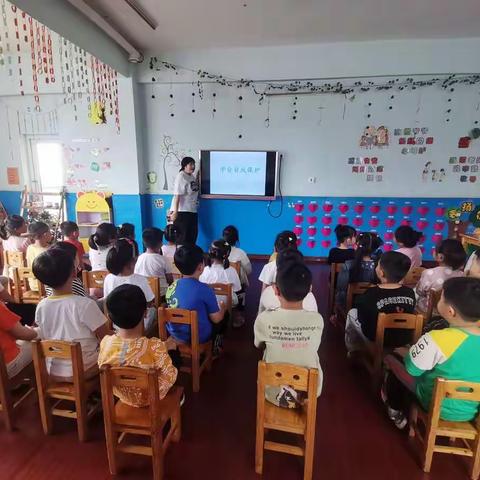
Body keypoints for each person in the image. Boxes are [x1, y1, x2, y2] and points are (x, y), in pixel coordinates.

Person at [382, 277, 480, 429]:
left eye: (441, 298)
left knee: (392, 359)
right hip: (472, 410)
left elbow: (412, 369)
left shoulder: (437, 338)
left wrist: (403, 353)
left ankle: (395, 411)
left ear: (450, 311)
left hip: (434, 402)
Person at [254, 261, 324, 408]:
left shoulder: (264, 318)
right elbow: (315, 346)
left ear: (276, 290)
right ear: (310, 289)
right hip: (307, 393)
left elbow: (258, 344)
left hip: (272, 392)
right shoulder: (317, 320)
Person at [32, 249, 108, 381]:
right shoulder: (84, 304)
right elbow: (105, 337)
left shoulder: (41, 305)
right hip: (84, 368)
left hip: (52, 370)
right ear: (74, 272)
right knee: (114, 348)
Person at [98, 284, 178, 407]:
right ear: (145, 313)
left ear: (110, 318)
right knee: (173, 353)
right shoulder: (154, 346)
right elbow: (169, 375)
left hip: (123, 397)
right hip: (152, 398)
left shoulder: (106, 343)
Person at [345, 251, 416, 354]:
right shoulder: (410, 293)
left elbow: (361, 315)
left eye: (378, 264)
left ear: (381, 273)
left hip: (376, 338)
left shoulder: (371, 292)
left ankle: (354, 350)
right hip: (403, 339)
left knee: (352, 313)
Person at [165, 245, 226, 355]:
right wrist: (222, 307)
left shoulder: (171, 286)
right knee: (224, 316)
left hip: (176, 333)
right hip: (198, 336)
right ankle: (215, 347)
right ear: (201, 267)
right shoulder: (205, 289)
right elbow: (216, 319)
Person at [103, 239, 155, 330]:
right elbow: (150, 302)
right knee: (154, 310)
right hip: (138, 324)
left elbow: (107, 301)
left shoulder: (108, 278)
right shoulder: (140, 279)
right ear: (131, 263)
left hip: (117, 323)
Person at [258, 249, 318, 314]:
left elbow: (260, 313)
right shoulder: (312, 301)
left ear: (276, 289)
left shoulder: (268, 293)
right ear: (310, 288)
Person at [416, 239, 466, 313]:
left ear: (440, 257)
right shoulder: (462, 275)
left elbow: (420, 292)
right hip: (452, 312)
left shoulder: (428, 273)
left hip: (430, 311)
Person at [335, 232, 382, 307]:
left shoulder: (347, 266)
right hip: (375, 306)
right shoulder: (381, 267)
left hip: (352, 306)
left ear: (356, 246)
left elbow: (341, 292)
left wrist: (336, 310)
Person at [0, 302, 37, 378]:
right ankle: (44, 385)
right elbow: (22, 334)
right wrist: (36, 332)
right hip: (6, 366)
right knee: (38, 345)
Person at [200, 240, 242, 306]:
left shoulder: (204, 270)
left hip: (208, 304)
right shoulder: (232, 270)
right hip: (226, 303)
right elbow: (237, 288)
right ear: (227, 254)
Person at [169, 157, 199, 245]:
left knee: (192, 236)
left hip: (192, 210)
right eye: (191, 164)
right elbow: (177, 195)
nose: (193, 166)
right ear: (184, 166)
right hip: (182, 212)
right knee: (183, 237)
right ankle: (182, 257)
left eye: (194, 164)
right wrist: (175, 212)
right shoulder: (181, 176)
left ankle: (190, 256)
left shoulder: (191, 176)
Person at [134, 227, 173, 296]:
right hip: (161, 295)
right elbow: (170, 281)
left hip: (143, 294)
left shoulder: (139, 258)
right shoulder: (164, 260)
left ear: (144, 243)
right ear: (161, 243)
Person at [26, 222, 52, 291]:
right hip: (46, 285)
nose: (51, 234)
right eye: (50, 232)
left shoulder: (29, 248)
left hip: (33, 285)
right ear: (45, 234)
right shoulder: (49, 250)